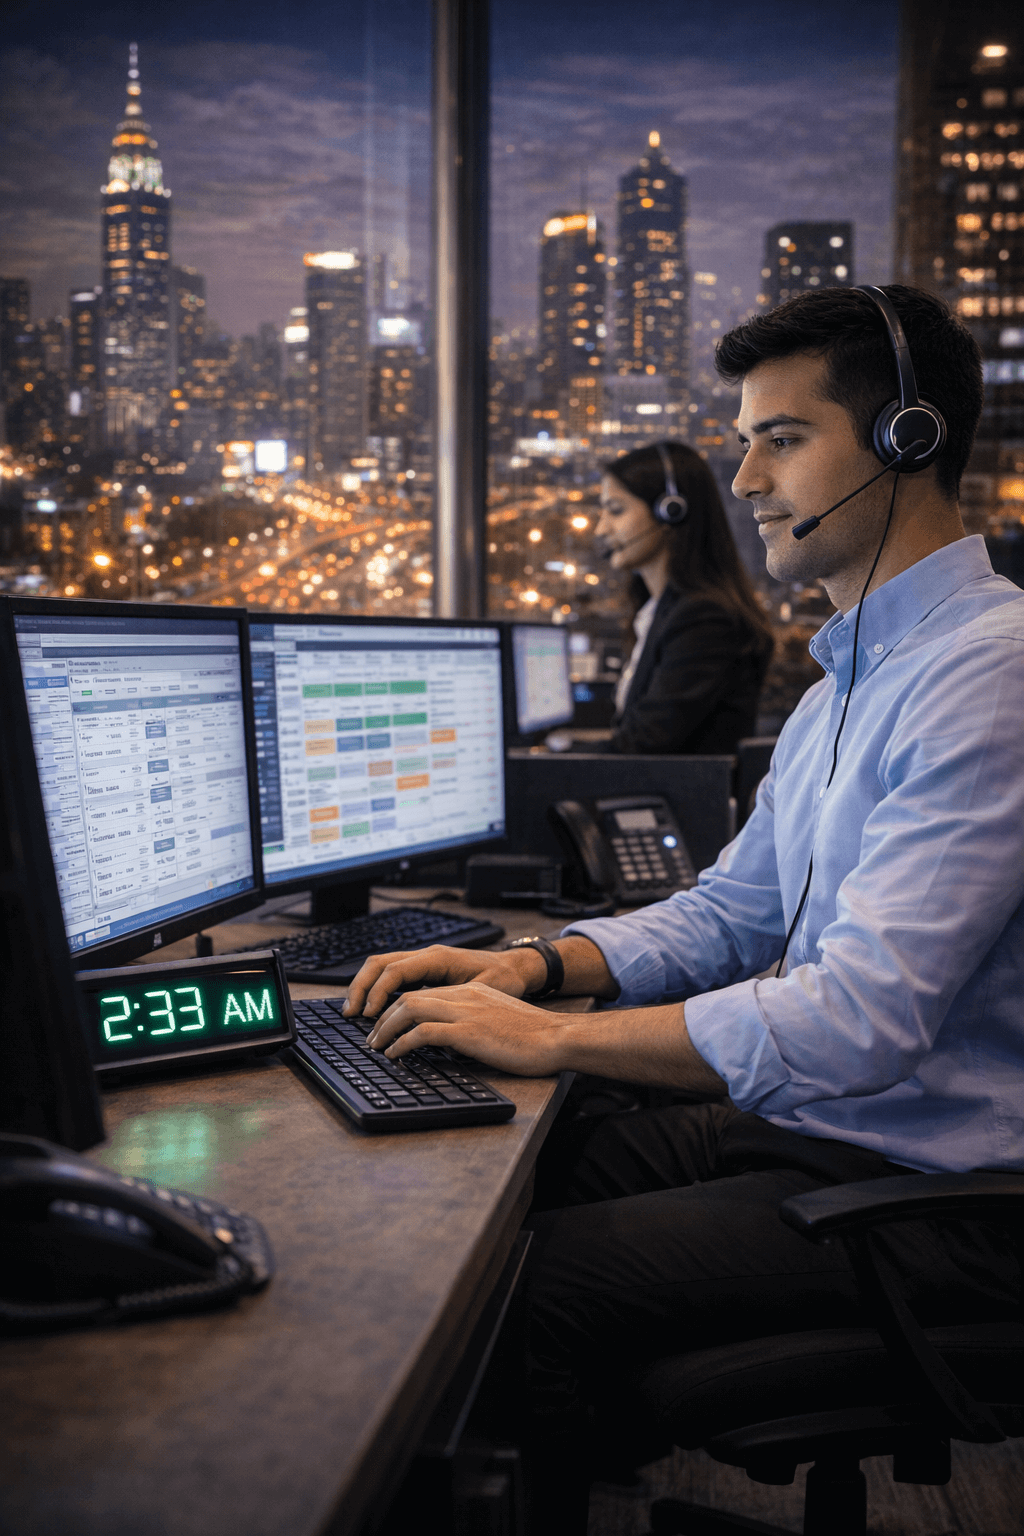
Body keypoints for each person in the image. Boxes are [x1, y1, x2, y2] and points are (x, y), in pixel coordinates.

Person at [345, 285, 1024, 1532]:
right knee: (539, 1159)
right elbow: (726, 914)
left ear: (905, 441)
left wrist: (555, 1040)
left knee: (498, 1286)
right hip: (831, 1126)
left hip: (943, 1190)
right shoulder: (841, 692)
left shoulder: (989, 678)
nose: (744, 472)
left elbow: (860, 1020)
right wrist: (537, 972)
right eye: (743, 437)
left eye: (781, 436)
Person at [595, 440, 774, 753]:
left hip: (681, 797)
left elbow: (647, 741)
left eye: (616, 510)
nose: (601, 529)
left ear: (670, 511)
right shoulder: (658, 611)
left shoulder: (704, 618)